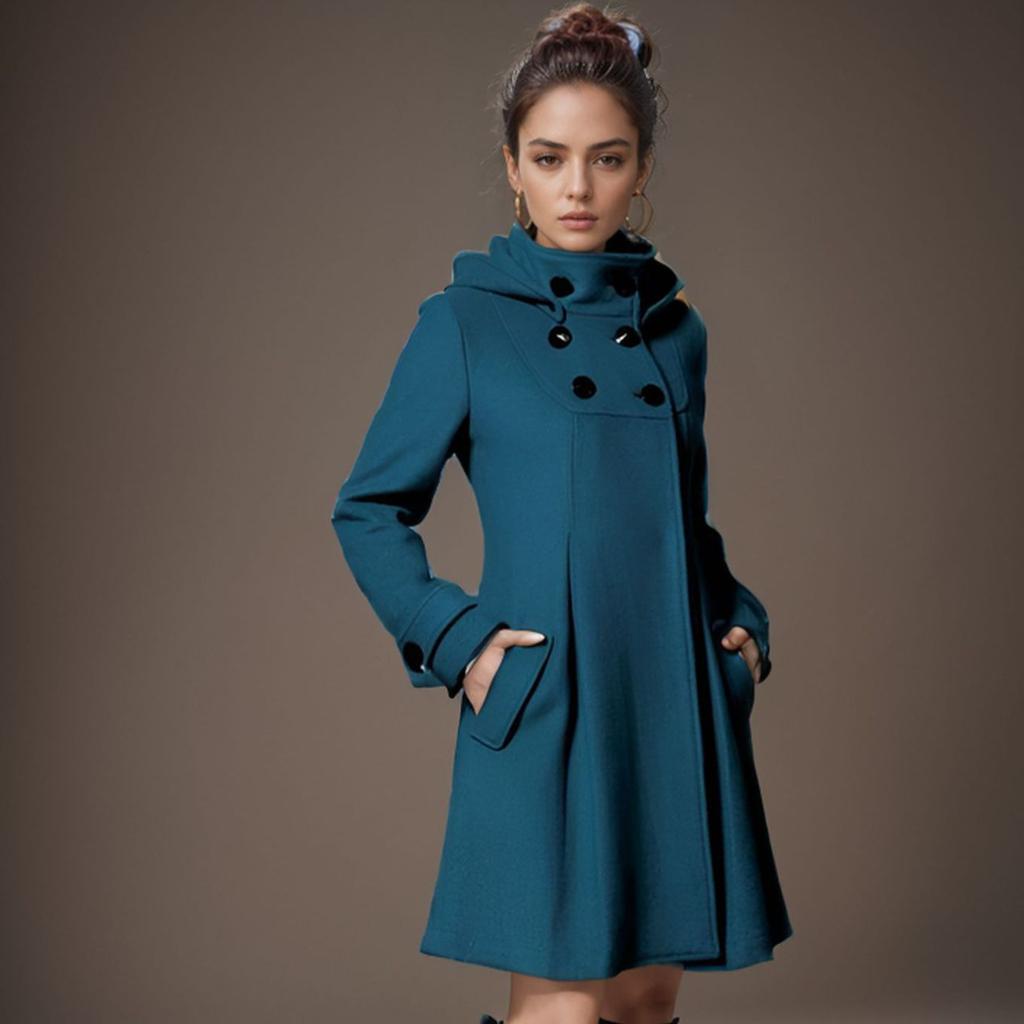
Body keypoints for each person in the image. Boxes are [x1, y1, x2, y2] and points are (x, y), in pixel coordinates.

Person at [329, 5, 793, 1022]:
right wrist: (462, 645)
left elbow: (680, 520)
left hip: (671, 700)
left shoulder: (677, 334)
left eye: (606, 158)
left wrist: (739, 627)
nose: (577, 188)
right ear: (513, 167)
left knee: (643, 1003)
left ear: (641, 169)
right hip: (552, 700)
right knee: (564, 1010)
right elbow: (367, 509)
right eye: (549, 158)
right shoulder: (463, 324)